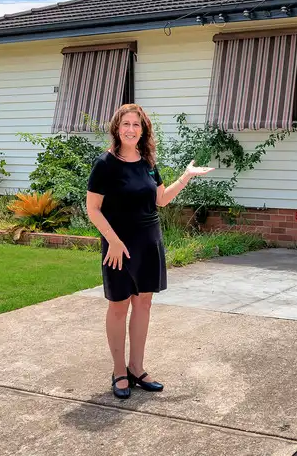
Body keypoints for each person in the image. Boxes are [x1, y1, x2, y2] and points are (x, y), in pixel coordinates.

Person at [85, 103, 213, 400]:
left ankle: (137, 368)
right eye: (126, 124)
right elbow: (93, 209)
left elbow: (161, 200)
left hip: (148, 241)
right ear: (117, 128)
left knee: (143, 305)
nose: (131, 129)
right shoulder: (104, 164)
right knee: (119, 305)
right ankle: (119, 371)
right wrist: (113, 241)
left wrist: (186, 176)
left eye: (136, 125)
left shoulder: (147, 162)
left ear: (143, 131)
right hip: (117, 245)